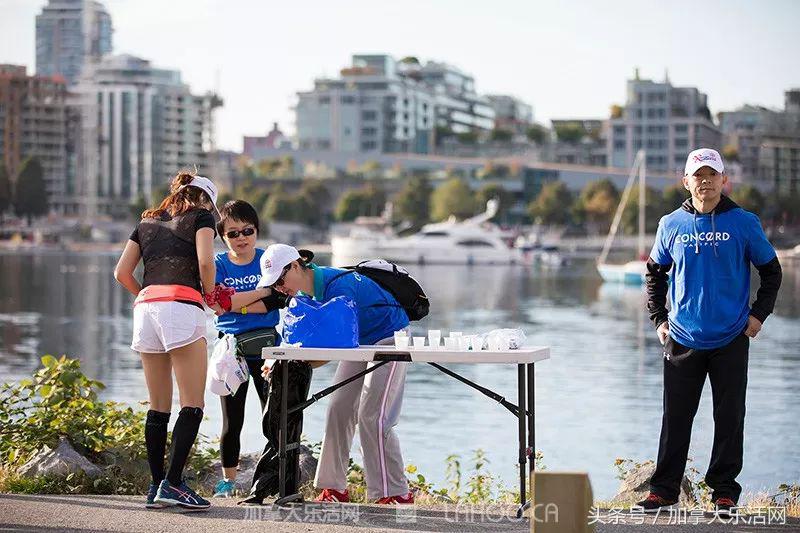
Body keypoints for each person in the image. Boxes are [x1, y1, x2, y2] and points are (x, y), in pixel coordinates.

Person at [640, 148, 782, 517]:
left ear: (724, 180)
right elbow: (654, 273)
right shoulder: (671, 224)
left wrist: (758, 316)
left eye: (711, 174)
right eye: (697, 175)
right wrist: (659, 320)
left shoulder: (744, 222)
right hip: (683, 337)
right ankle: (664, 490)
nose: (704, 181)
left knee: (730, 416)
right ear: (686, 182)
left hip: (731, 337)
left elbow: (771, 271)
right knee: (675, 418)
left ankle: (724, 492)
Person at [259, 244, 414, 504]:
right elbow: (309, 343)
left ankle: (395, 492)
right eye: (273, 285)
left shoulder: (337, 288)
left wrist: (295, 362)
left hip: (391, 338)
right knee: (339, 408)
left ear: (295, 266)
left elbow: (329, 350)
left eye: (280, 280)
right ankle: (334, 489)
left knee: (373, 416)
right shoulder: (307, 295)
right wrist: (281, 362)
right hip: (359, 343)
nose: (279, 288)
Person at [114, 171, 223, 510]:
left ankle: (155, 486)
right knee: (192, 403)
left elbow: (121, 272)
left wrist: (148, 294)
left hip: (145, 309)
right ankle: (174, 484)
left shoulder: (146, 220)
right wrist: (208, 295)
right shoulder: (201, 216)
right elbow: (205, 260)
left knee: (158, 405)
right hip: (181, 307)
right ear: (205, 199)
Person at [210, 200, 289, 497]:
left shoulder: (266, 260)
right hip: (232, 352)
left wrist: (237, 304)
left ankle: (277, 479)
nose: (241, 237)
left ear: (256, 231)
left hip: (269, 349)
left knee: (274, 416)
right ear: (222, 236)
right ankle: (228, 482)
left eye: (248, 230)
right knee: (233, 420)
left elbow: (278, 300)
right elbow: (218, 305)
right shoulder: (218, 264)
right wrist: (260, 293)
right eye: (233, 233)